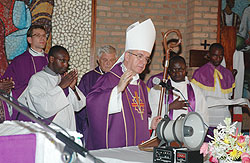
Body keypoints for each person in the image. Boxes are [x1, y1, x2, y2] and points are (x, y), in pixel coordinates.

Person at [86, 18, 158, 150]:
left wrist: (150, 123)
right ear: (127, 56)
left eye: (147, 59)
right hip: (116, 147)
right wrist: (117, 90)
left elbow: (142, 115)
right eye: (140, 56)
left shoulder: (141, 85)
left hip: (137, 148)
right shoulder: (109, 79)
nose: (143, 62)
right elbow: (92, 103)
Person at [18, 45, 86, 131]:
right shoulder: (38, 79)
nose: (66, 65)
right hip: (50, 131)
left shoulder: (63, 78)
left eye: (67, 61)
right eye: (62, 61)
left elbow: (78, 106)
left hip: (69, 128)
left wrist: (73, 88)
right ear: (51, 59)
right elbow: (42, 108)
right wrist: (61, 87)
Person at [1, 25, 49, 121]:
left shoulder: (51, 60)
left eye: (44, 35)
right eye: (38, 35)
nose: (42, 38)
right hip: (26, 109)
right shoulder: (19, 61)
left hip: (49, 107)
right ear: (29, 40)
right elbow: (6, 84)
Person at [148, 56, 208, 129]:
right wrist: (169, 107)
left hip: (189, 135)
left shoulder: (195, 90)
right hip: (164, 134)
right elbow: (152, 114)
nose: (177, 73)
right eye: (173, 70)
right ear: (169, 70)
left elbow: (203, 114)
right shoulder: (158, 90)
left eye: (180, 69)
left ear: (186, 69)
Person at [76, 45, 117, 142]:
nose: (108, 63)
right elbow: (81, 105)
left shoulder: (119, 78)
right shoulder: (88, 78)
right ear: (98, 60)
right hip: (93, 125)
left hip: (114, 125)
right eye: (105, 60)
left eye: (111, 60)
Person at [191, 43, 235, 128]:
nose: (218, 59)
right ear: (209, 55)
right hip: (206, 116)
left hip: (224, 116)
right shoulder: (199, 73)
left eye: (221, 56)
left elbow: (229, 96)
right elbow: (195, 97)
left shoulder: (228, 74)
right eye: (215, 55)